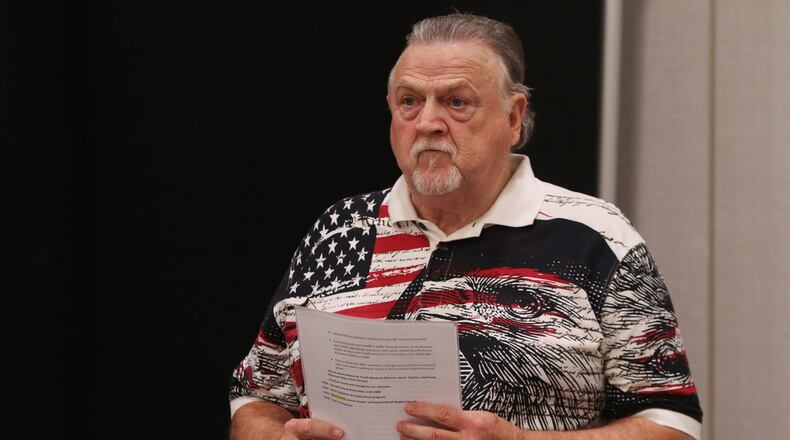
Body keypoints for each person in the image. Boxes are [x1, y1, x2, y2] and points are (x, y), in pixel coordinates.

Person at [229, 13, 703, 440]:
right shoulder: (338, 231)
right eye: (409, 102)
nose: (428, 122)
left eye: (457, 102)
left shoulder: (595, 237)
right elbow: (256, 396)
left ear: (513, 118)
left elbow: (672, 423)